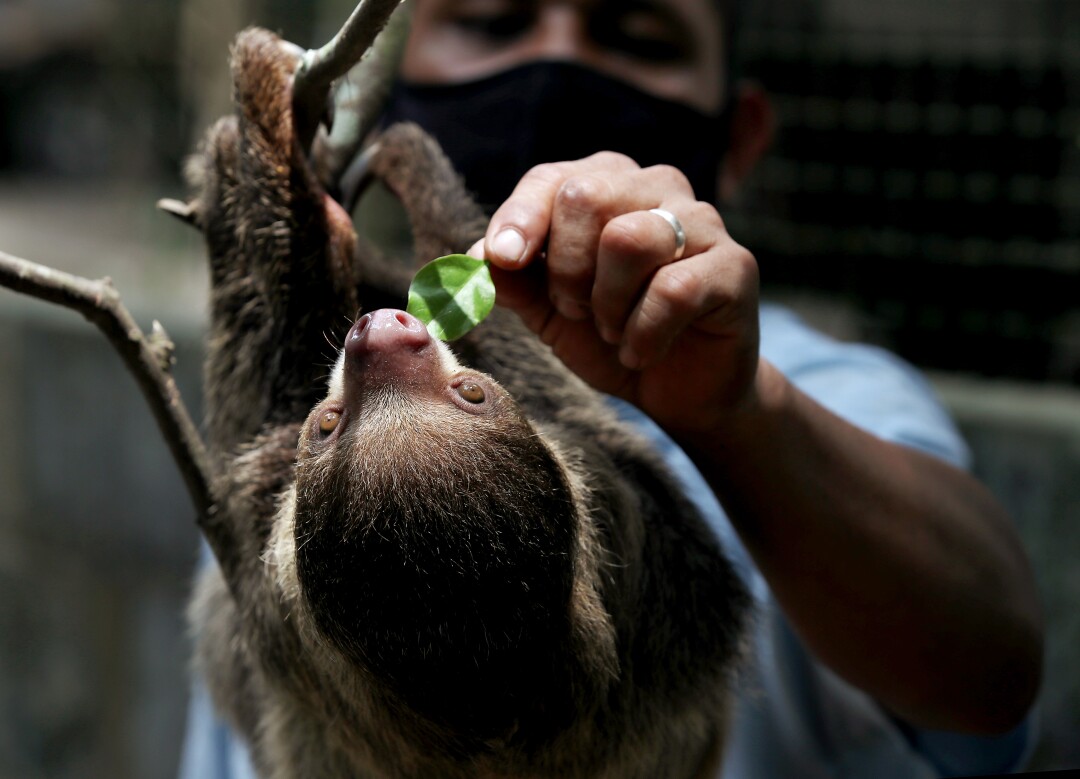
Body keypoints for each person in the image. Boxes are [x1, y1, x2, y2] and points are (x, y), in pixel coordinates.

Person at [180, 1, 1043, 776]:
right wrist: (734, 413)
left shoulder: (298, 580)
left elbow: (992, 659)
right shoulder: (665, 589)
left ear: (737, 135)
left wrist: (262, 201)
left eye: (634, 32)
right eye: (491, 21)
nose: (383, 338)